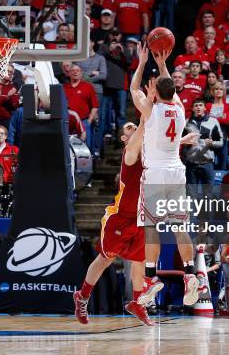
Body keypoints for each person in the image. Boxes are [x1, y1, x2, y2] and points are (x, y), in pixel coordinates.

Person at [129, 43, 199, 308]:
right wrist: (160, 64)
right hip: (176, 172)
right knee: (180, 226)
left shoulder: (151, 110)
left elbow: (134, 89)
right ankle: (191, 273)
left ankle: (150, 276)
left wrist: (142, 62)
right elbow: (171, 90)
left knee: (150, 226)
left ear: (156, 91)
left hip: (156, 173)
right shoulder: (180, 110)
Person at [74, 119, 153, 326]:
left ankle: (137, 302)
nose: (134, 127)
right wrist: (147, 104)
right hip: (120, 217)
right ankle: (82, 296)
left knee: (139, 262)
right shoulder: (129, 153)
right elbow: (145, 123)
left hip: (140, 216)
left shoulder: (147, 150)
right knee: (105, 259)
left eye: (134, 126)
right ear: (124, 138)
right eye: (129, 128)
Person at [183, 99, 223, 199]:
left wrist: (213, 143)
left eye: (201, 105)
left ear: (205, 108)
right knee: (192, 196)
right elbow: (180, 141)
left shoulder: (213, 121)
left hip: (207, 163)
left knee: (208, 196)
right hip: (191, 164)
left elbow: (221, 141)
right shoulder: (186, 123)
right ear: (192, 108)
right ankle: (193, 215)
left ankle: (206, 215)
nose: (198, 107)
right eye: (196, 106)